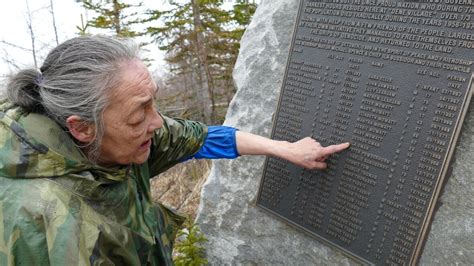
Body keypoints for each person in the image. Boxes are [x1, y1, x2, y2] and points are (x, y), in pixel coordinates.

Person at [0, 35, 349, 265]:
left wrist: (284, 148)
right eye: (139, 114)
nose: (156, 123)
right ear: (82, 127)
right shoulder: (37, 220)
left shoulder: (121, 138)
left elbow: (201, 138)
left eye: (153, 105)